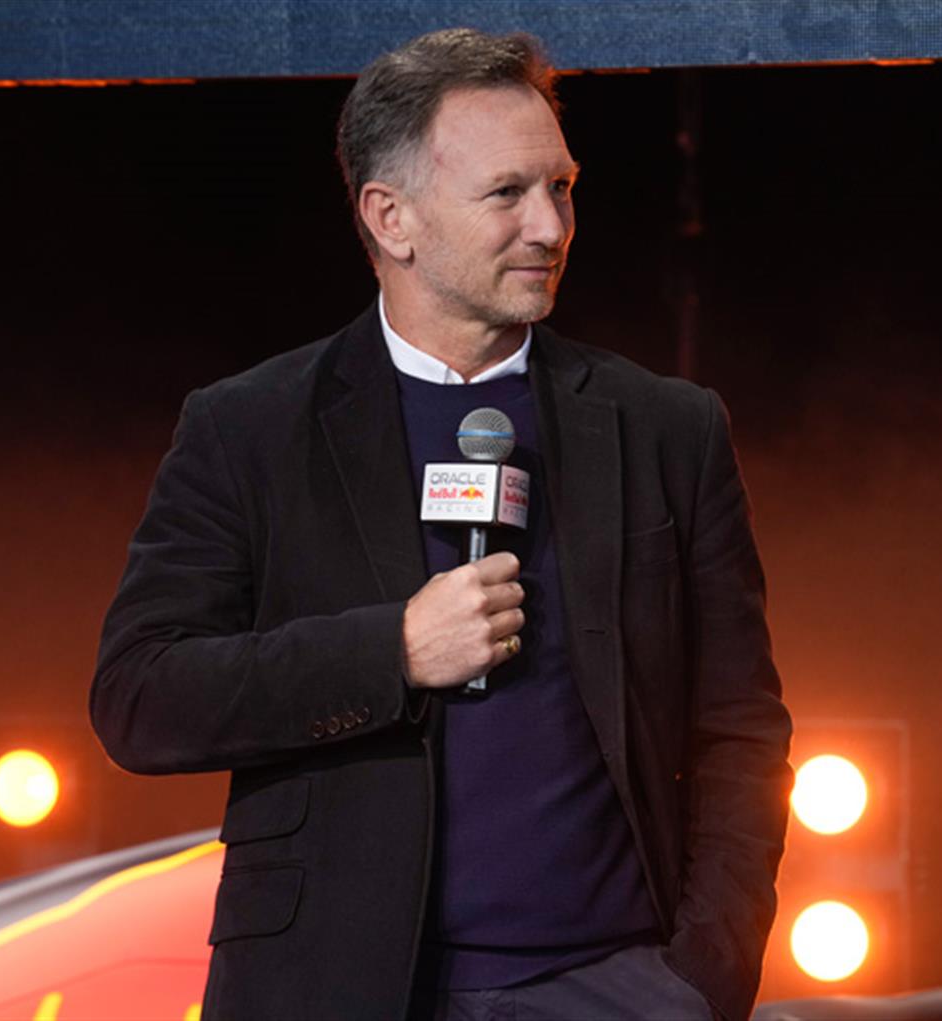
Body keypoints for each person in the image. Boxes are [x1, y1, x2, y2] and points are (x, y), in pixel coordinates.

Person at [91, 27, 792, 1021]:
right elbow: (141, 697)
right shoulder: (249, 427)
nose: (550, 226)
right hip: (332, 989)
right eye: (507, 193)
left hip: (610, 986)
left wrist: (700, 977)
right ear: (392, 218)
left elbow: (739, 731)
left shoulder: (666, 429)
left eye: (560, 187)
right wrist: (393, 649)